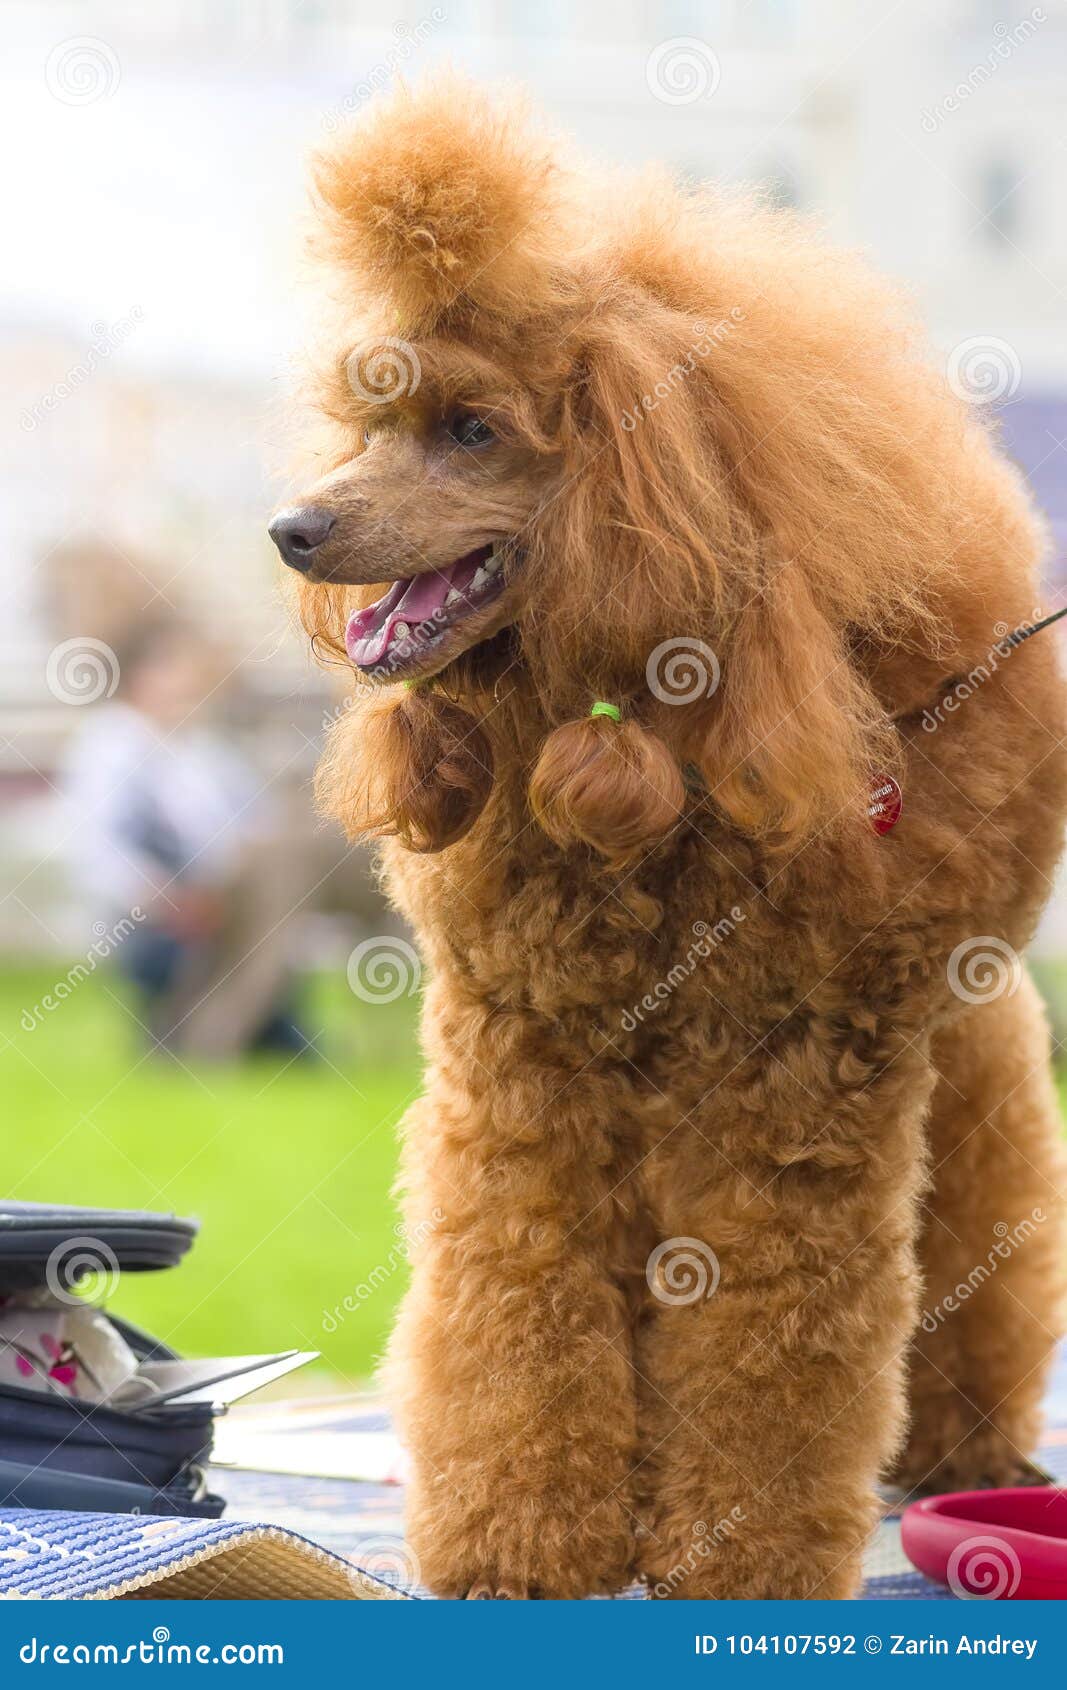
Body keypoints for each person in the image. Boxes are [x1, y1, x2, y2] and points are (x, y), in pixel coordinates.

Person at [62, 618, 312, 1059]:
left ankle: (245, 1028)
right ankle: (212, 1035)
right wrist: (168, 900)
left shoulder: (203, 748)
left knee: (277, 883)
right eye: (176, 668)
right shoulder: (111, 745)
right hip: (154, 918)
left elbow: (257, 822)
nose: (192, 682)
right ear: (142, 676)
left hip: (222, 901)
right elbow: (99, 853)